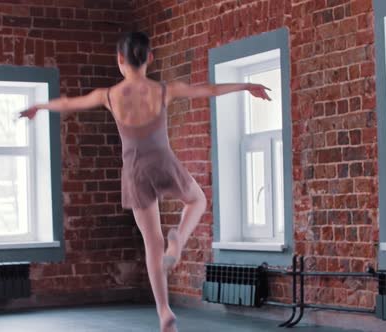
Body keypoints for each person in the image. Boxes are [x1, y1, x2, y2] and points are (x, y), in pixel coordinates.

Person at [20, 32, 271, 332]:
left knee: (152, 243)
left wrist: (40, 107)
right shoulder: (164, 90)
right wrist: (246, 85)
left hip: (134, 170)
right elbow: (210, 89)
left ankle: (164, 312)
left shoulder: (108, 95)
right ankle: (179, 237)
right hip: (163, 161)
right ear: (150, 58)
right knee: (197, 200)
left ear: (120, 60)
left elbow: (71, 102)